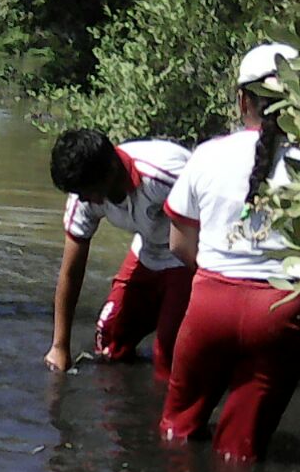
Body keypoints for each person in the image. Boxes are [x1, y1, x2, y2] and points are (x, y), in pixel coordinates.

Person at [159, 42, 300, 461]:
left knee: (177, 429)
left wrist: (219, 282)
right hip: (281, 310)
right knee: (240, 452)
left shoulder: (206, 155)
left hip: (210, 303)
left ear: (242, 99)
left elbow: (178, 243)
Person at [45, 129, 193, 379]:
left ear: (111, 171)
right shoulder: (84, 195)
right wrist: (60, 346)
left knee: (167, 353)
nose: (82, 199)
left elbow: (216, 220)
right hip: (148, 249)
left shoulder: (165, 175)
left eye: (87, 191)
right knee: (110, 339)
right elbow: (71, 271)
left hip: (188, 255)